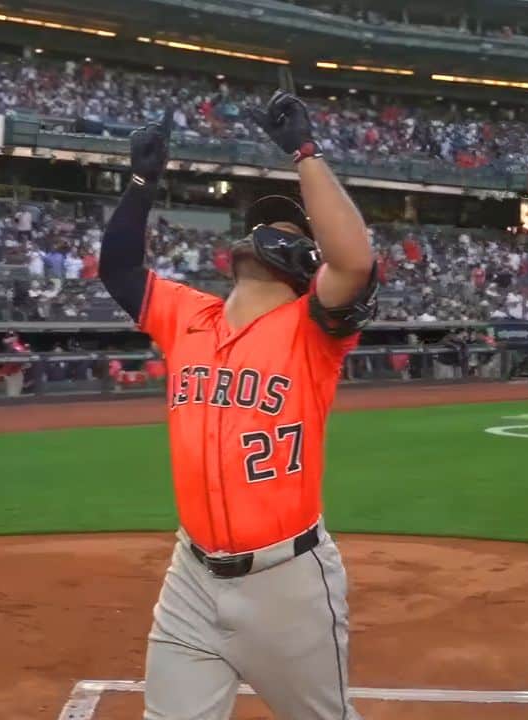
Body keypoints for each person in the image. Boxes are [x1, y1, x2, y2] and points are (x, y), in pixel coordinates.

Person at [98, 96, 377, 720]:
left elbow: (354, 260)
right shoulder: (186, 315)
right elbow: (117, 266)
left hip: (288, 584)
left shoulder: (314, 332)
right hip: (191, 574)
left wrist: (305, 153)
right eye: (263, 224)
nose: (268, 230)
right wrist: (141, 182)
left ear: (309, 263)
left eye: (289, 229)